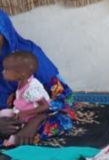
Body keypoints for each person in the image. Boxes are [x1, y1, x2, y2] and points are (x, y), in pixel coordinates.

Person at [0, 10, 74, 144]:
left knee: (59, 121)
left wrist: (35, 121)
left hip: (32, 114)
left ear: (6, 33)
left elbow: (65, 97)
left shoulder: (29, 55)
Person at [1, 52, 51, 147]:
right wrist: (14, 96)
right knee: (3, 113)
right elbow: (22, 93)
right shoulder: (23, 81)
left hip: (30, 114)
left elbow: (45, 105)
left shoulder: (31, 90)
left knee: (19, 128)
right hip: (21, 109)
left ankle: (12, 141)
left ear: (21, 74)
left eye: (7, 70)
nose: (3, 72)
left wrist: (26, 114)